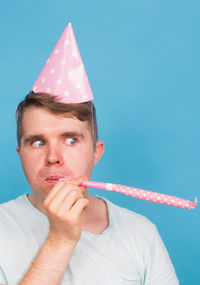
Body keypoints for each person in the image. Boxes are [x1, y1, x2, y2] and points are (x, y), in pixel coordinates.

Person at [0, 24, 179, 285]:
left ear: (96, 153)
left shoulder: (141, 234)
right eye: (37, 142)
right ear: (20, 153)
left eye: (70, 140)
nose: (53, 157)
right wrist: (60, 240)